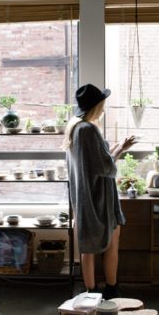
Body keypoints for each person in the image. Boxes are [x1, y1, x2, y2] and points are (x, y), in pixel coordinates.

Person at [63, 83, 137, 300]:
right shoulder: (89, 130)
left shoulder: (75, 128)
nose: (104, 108)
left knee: (87, 246)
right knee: (111, 243)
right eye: (102, 104)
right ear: (96, 106)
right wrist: (121, 150)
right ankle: (111, 289)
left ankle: (90, 293)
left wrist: (117, 147)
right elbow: (106, 167)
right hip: (100, 199)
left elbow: (97, 160)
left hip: (85, 198)